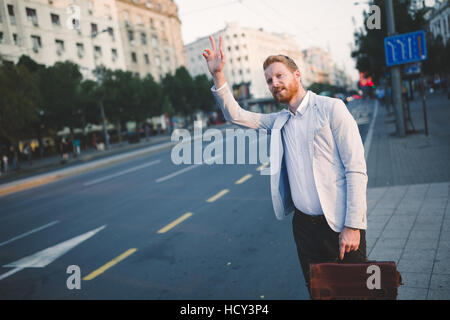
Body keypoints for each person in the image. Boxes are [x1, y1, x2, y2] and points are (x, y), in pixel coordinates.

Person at [203, 36, 368, 297]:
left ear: (297, 75)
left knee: (356, 291)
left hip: (339, 223)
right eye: (269, 80)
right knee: (320, 292)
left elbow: (356, 168)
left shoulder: (331, 109)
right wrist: (218, 75)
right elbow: (236, 115)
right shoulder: (279, 121)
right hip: (304, 227)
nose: (274, 83)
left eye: (279, 76)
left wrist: (353, 225)